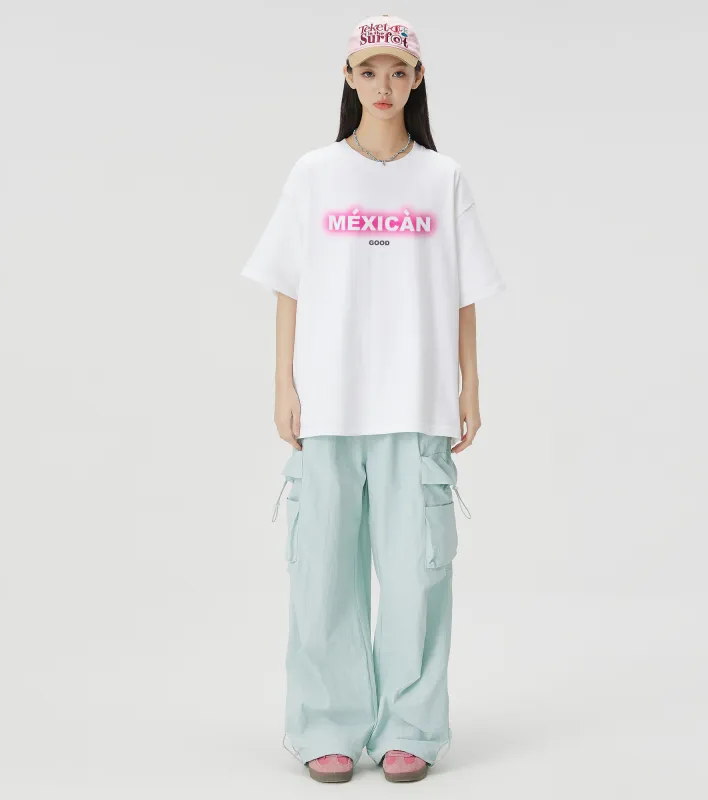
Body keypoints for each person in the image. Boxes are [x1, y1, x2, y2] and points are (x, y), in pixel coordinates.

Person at [240, 14, 506, 783]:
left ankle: (411, 729)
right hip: (329, 403)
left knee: (418, 575)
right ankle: (327, 724)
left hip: (417, 403)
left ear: (417, 80)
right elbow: (288, 284)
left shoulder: (442, 177)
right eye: (368, 71)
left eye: (397, 71)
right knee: (322, 573)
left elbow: (463, 293)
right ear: (348, 78)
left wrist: (471, 384)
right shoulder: (314, 173)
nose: (382, 85)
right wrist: (284, 382)